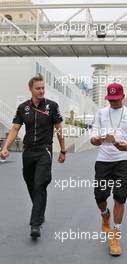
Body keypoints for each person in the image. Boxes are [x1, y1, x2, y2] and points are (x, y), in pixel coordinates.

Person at [0, 74, 66, 238]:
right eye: (38, 88)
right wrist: (5, 147)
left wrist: (63, 150)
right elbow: (15, 128)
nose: (41, 90)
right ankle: (40, 211)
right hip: (28, 151)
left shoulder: (52, 106)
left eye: (43, 88)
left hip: (45, 150)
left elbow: (59, 129)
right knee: (31, 183)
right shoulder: (23, 108)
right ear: (31, 89)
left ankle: (35, 224)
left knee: (39, 184)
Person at [90, 83, 127, 256]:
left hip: (123, 161)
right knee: (100, 197)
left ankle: (115, 235)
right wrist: (96, 140)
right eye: (110, 99)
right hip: (103, 160)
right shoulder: (101, 113)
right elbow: (93, 135)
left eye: (116, 99)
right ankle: (105, 214)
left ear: (122, 96)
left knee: (120, 198)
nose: (113, 102)